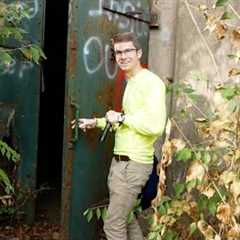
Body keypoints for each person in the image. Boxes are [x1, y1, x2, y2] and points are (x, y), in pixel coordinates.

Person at [72, 32, 166, 240]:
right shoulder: (131, 82)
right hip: (121, 164)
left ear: (139, 53)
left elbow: (155, 125)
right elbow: (126, 120)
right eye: (118, 52)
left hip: (133, 165)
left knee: (113, 225)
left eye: (127, 51)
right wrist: (95, 122)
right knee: (127, 218)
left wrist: (122, 119)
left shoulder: (151, 83)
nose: (122, 56)